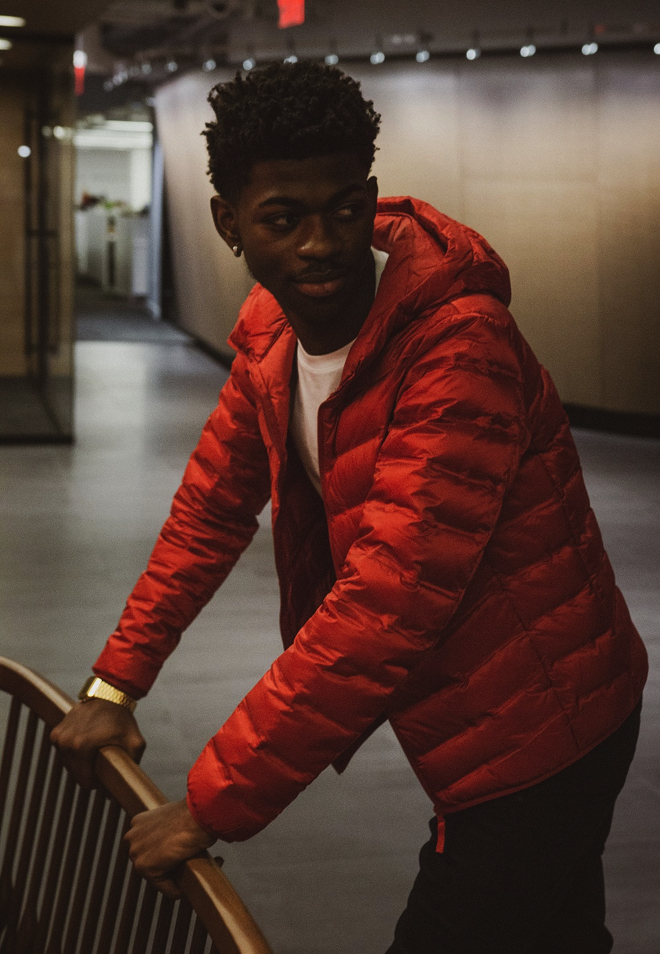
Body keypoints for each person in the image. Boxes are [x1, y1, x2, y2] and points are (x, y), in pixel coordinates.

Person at [52, 61, 647, 953]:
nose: (320, 243)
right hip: (476, 719)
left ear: (369, 198)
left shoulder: (459, 349)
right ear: (229, 224)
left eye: (342, 209)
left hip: (543, 724)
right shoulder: (271, 332)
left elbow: (384, 608)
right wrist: (115, 683)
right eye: (282, 219)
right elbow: (209, 514)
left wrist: (210, 805)